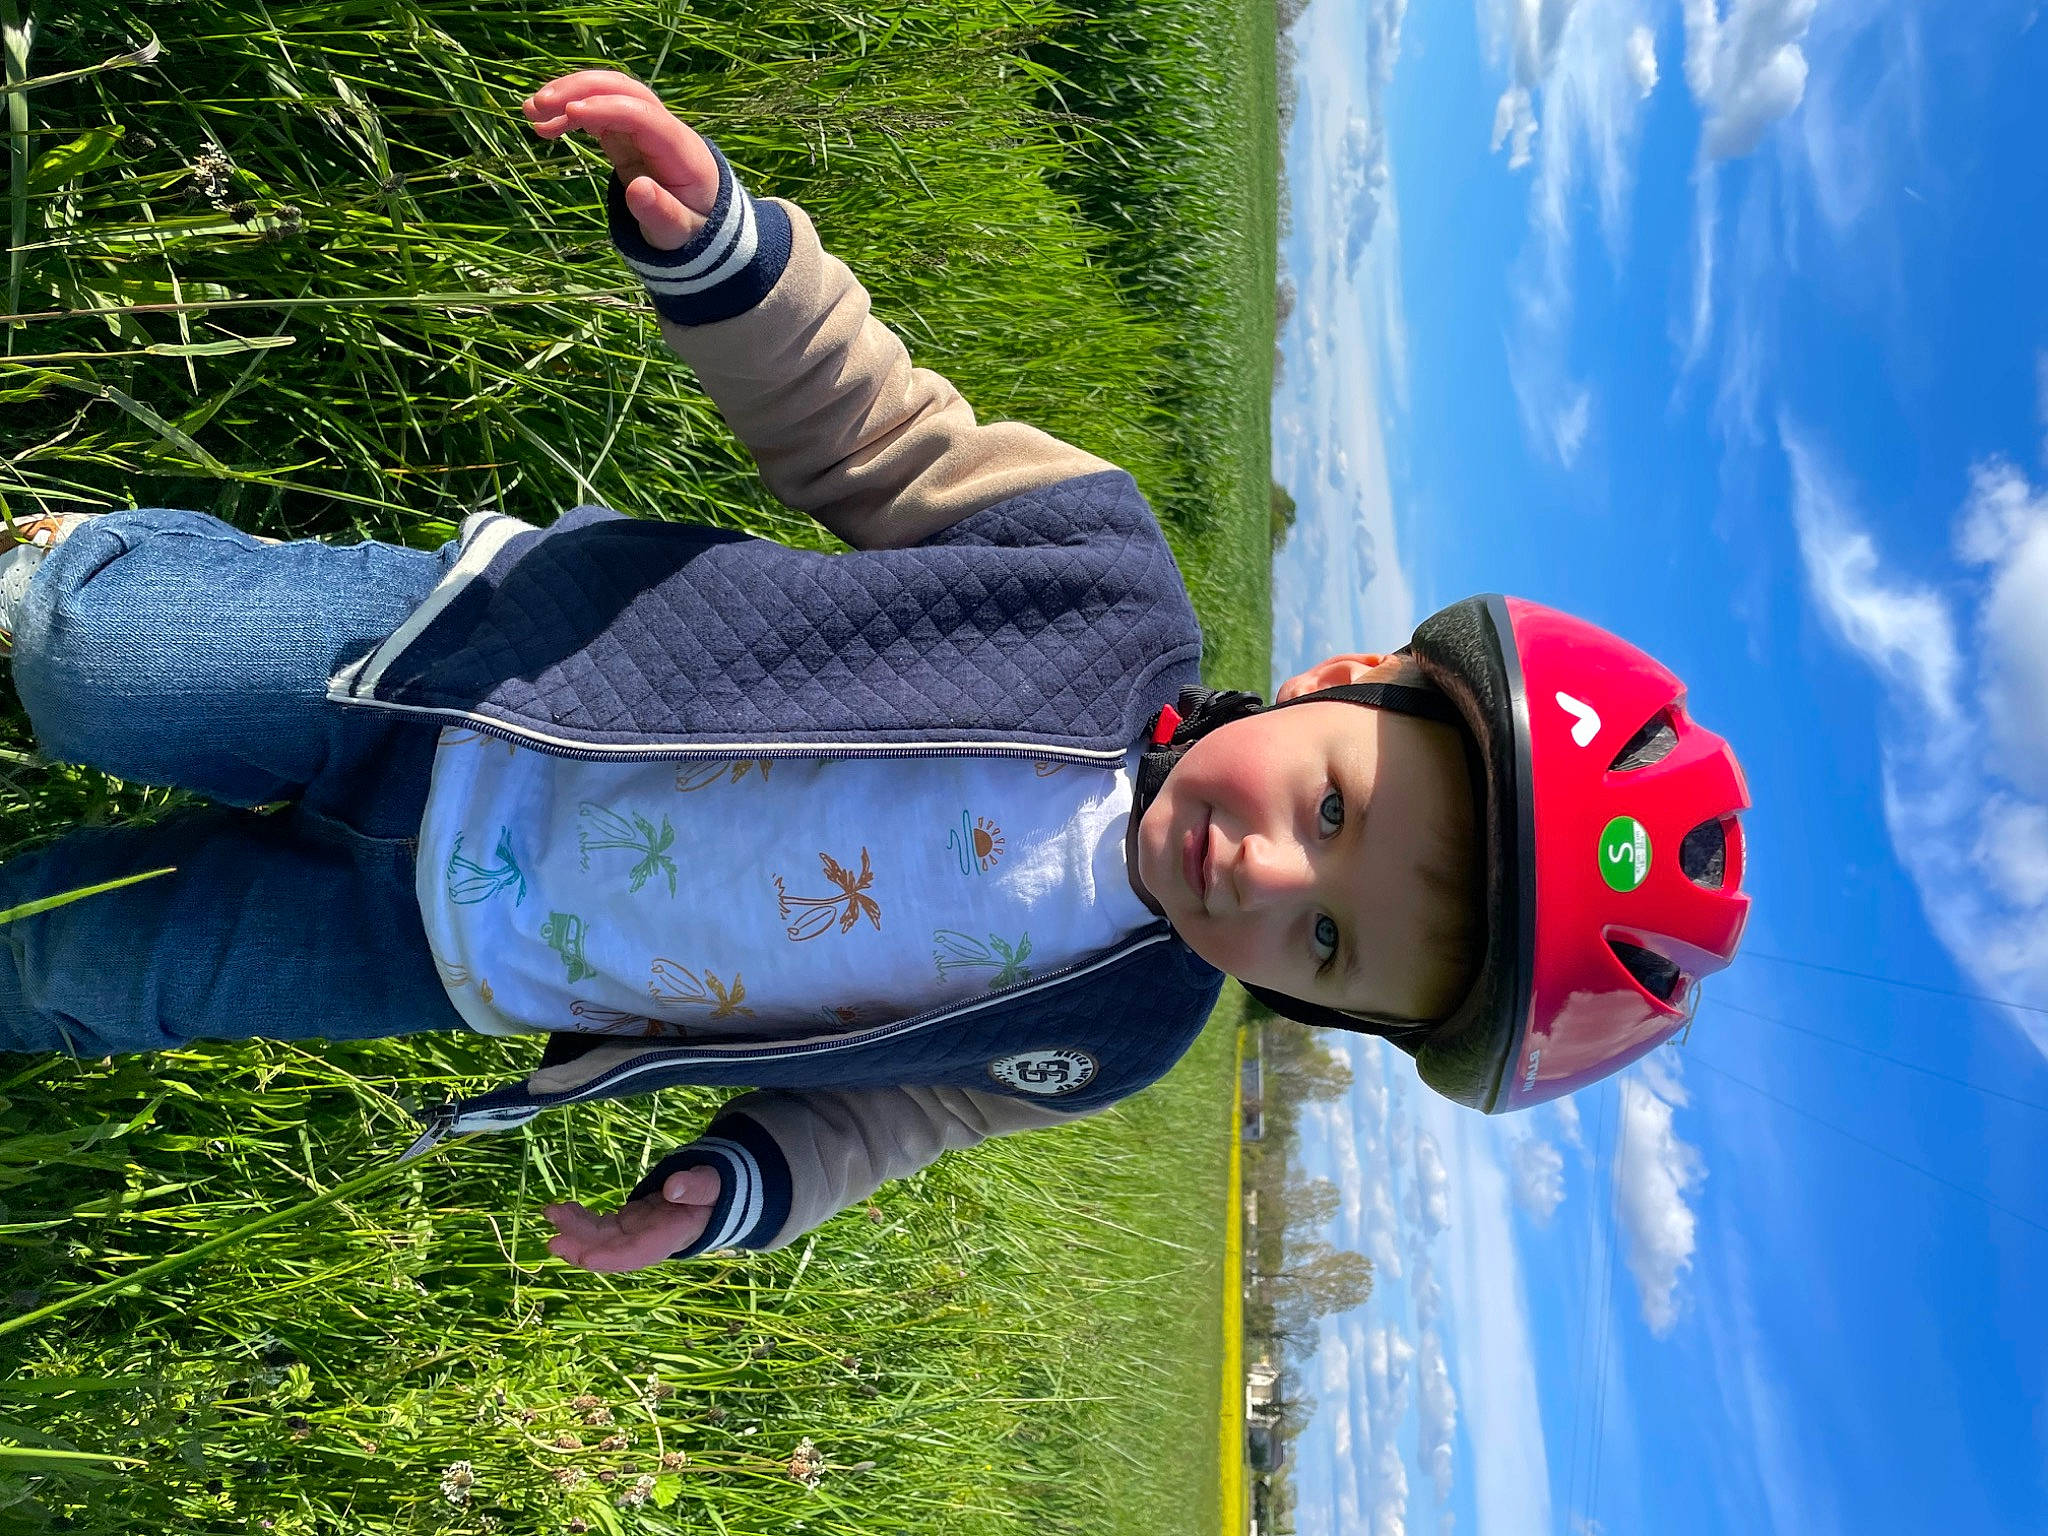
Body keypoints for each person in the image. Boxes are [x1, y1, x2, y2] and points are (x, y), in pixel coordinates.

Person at [0, 72, 1751, 1273]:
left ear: (1328, 1010)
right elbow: (870, 430)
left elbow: (895, 1113)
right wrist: (727, 256)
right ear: (1347, 681)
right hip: (454, 674)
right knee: (90, 661)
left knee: (104, 975)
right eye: (1331, 808)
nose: (1267, 873)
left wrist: (739, 1188)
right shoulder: (1096, 570)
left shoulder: (1120, 1033)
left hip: (452, 955)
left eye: (1326, 941)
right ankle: (50, 575)